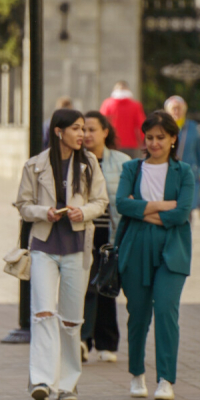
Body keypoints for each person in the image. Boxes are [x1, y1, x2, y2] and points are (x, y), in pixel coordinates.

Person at [14, 108, 108, 400]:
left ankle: (68, 382)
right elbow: (23, 204)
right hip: (43, 246)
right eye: (77, 129)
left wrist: (85, 211)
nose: (83, 134)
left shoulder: (90, 163)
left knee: (71, 319)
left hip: (78, 248)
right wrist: (45, 212)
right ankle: (41, 379)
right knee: (42, 313)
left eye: (84, 129)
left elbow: (101, 201)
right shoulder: (35, 165)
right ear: (59, 131)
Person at [117, 110, 195, 400]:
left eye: (161, 137)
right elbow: (122, 204)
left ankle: (165, 379)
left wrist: (144, 209)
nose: (154, 143)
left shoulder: (184, 171)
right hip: (135, 247)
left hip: (173, 250)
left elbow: (181, 213)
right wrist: (162, 206)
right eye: (149, 137)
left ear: (173, 139)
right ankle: (137, 374)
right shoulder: (131, 169)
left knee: (165, 312)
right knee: (137, 315)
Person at [80, 112, 131, 363]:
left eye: (92, 130)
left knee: (106, 288)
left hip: (110, 235)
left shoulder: (122, 162)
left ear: (105, 132)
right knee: (83, 289)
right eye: (83, 130)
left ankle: (107, 343)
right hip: (82, 235)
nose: (87, 135)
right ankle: (82, 340)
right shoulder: (76, 161)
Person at [164, 94, 200, 184]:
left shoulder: (192, 127)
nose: (176, 111)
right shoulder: (163, 128)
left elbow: (198, 148)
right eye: (173, 108)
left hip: (190, 172)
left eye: (179, 108)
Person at [100, 81, 146, 157]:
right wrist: (143, 143)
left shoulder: (107, 104)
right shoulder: (135, 105)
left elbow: (101, 124)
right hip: (130, 144)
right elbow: (141, 126)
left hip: (112, 143)